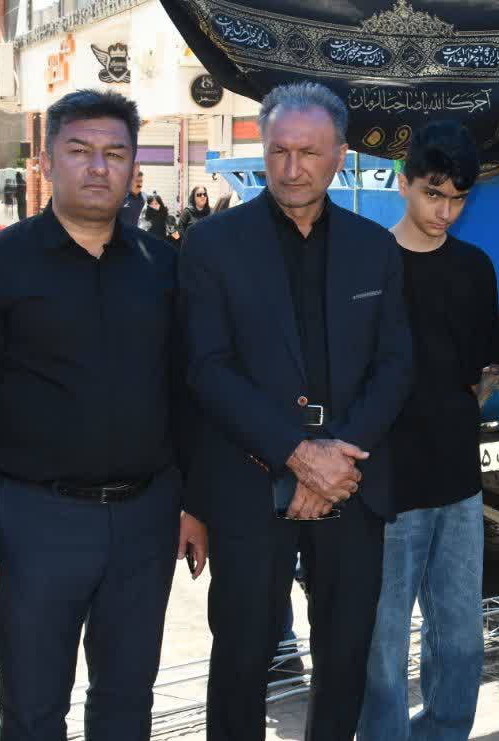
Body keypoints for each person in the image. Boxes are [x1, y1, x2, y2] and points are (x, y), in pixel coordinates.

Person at [0, 89, 207, 740]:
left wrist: (194, 504)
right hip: (34, 523)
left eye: (115, 153)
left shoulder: (164, 267)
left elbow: (184, 394)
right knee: (33, 711)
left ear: (133, 168)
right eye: (79, 150)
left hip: (146, 521)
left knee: (127, 704)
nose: (97, 166)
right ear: (46, 162)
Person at [178, 80, 413, 741]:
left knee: (345, 658)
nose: (291, 168)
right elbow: (206, 367)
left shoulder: (375, 247)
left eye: (308, 152)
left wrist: (336, 459)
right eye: (279, 150)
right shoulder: (212, 244)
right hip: (249, 486)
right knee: (242, 659)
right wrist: (297, 454)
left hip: (351, 486)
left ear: (339, 155)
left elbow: (395, 365)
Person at [357, 120, 499, 741]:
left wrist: (468, 399)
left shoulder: (474, 267)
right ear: (403, 183)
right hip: (386, 484)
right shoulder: (367, 262)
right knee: (382, 647)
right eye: (433, 193)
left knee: (462, 641)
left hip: (459, 481)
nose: (445, 211)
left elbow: (485, 369)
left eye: (458, 198)